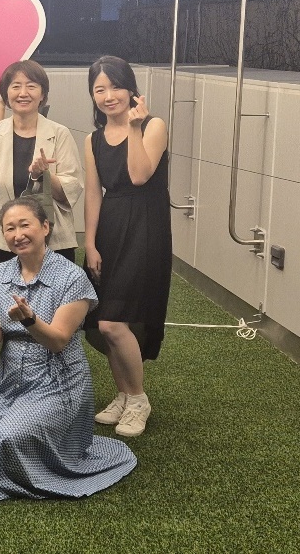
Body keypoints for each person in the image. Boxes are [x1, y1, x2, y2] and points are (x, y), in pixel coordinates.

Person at [0, 197, 136, 501]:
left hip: (57, 381)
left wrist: (30, 320)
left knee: (8, 439)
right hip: (8, 380)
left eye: (24, 225)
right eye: (9, 228)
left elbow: (58, 341)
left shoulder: (71, 277)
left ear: (45, 227)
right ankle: (14, 455)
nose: (17, 235)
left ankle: (49, 453)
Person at [82, 56, 172, 438]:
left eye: (116, 86)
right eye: (99, 89)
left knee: (113, 321)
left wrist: (134, 128)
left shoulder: (154, 126)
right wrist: (89, 243)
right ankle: (122, 394)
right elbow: (93, 194)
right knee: (105, 322)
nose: (109, 96)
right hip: (110, 228)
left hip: (146, 228)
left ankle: (138, 399)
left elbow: (138, 175)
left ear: (131, 88)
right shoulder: (92, 139)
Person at [0, 60, 83, 278]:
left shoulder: (59, 133)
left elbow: (73, 188)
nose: (23, 93)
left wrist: (45, 175)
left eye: (31, 86)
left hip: (51, 242)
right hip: (1, 242)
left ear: (43, 94)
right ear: (6, 93)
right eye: (15, 86)